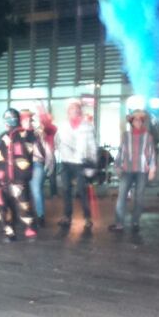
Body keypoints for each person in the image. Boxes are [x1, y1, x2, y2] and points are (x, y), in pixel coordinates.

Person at [0, 108, 39, 242]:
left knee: (7, 206)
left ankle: (11, 232)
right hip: (13, 177)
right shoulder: (26, 135)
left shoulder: (23, 135)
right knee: (20, 204)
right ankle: (27, 230)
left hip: (9, 177)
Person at [110, 109, 157, 232]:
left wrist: (152, 169)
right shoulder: (126, 136)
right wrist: (117, 165)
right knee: (121, 196)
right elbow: (121, 150)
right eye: (135, 120)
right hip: (128, 169)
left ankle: (135, 221)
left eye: (140, 120)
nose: (138, 122)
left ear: (142, 122)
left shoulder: (148, 137)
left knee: (139, 197)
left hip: (142, 170)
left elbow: (152, 153)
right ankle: (119, 223)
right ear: (131, 122)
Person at [56, 99, 96, 231]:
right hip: (66, 161)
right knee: (66, 189)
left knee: (82, 191)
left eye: (76, 108)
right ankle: (67, 216)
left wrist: (92, 163)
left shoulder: (87, 126)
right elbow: (58, 141)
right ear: (68, 112)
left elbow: (92, 145)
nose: (74, 111)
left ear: (80, 111)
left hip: (80, 162)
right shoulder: (63, 126)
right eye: (72, 108)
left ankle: (87, 217)